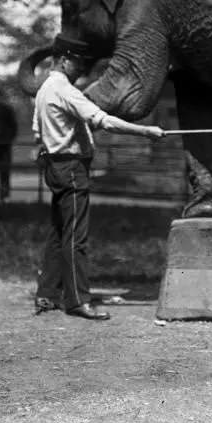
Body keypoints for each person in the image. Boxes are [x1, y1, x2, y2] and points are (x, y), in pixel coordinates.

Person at [32, 34, 165, 321]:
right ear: (64, 60)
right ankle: (78, 300)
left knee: (59, 231)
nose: (82, 69)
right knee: (75, 236)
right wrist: (146, 131)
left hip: (55, 165)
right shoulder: (65, 90)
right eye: (78, 63)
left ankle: (47, 294)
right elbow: (102, 119)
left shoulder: (44, 90)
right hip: (71, 167)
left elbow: (36, 132)